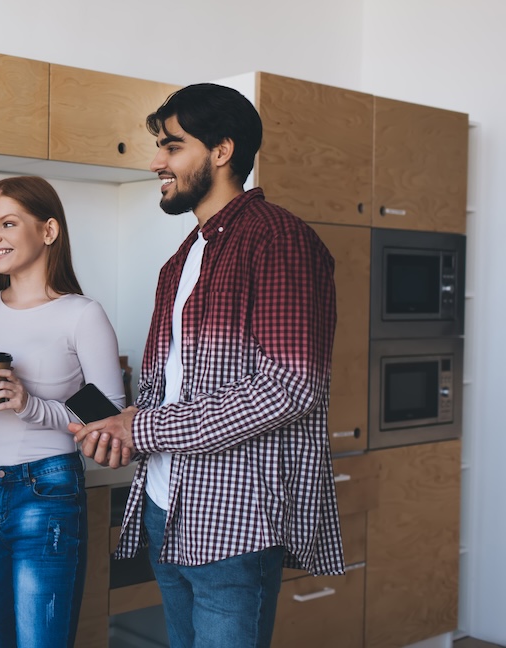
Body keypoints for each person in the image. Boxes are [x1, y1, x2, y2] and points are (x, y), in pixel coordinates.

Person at [70, 84, 345, 647]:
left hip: (235, 517)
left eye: (172, 147)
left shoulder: (279, 239)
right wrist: (125, 422)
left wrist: (140, 426)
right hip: (165, 502)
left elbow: (290, 385)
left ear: (222, 151)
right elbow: (178, 383)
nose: (156, 162)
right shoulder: (184, 258)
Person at [0, 175, 125, 648]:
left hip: (46, 492)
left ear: (49, 231)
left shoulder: (79, 314)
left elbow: (110, 414)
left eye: (8, 223)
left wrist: (30, 405)